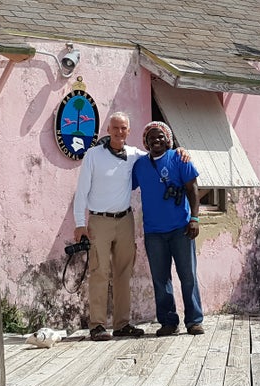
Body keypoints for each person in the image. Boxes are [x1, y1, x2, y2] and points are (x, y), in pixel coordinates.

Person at [72, 112, 189, 341]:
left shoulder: (135, 155)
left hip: (125, 220)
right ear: (108, 130)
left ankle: (122, 324)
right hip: (99, 220)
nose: (119, 132)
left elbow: (160, 154)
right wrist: (79, 223)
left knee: (123, 273)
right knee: (99, 272)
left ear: (129, 131)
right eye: (115, 128)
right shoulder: (93, 156)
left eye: (123, 128)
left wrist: (181, 151)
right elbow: (81, 191)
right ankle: (97, 325)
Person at [131, 121, 204, 336]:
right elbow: (125, 178)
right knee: (160, 279)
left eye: (160, 136)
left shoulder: (179, 159)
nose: (156, 140)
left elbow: (193, 190)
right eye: (152, 137)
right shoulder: (140, 166)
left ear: (168, 140)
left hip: (181, 228)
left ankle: (194, 320)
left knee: (188, 275)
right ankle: (168, 322)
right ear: (146, 141)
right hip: (153, 231)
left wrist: (195, 218)